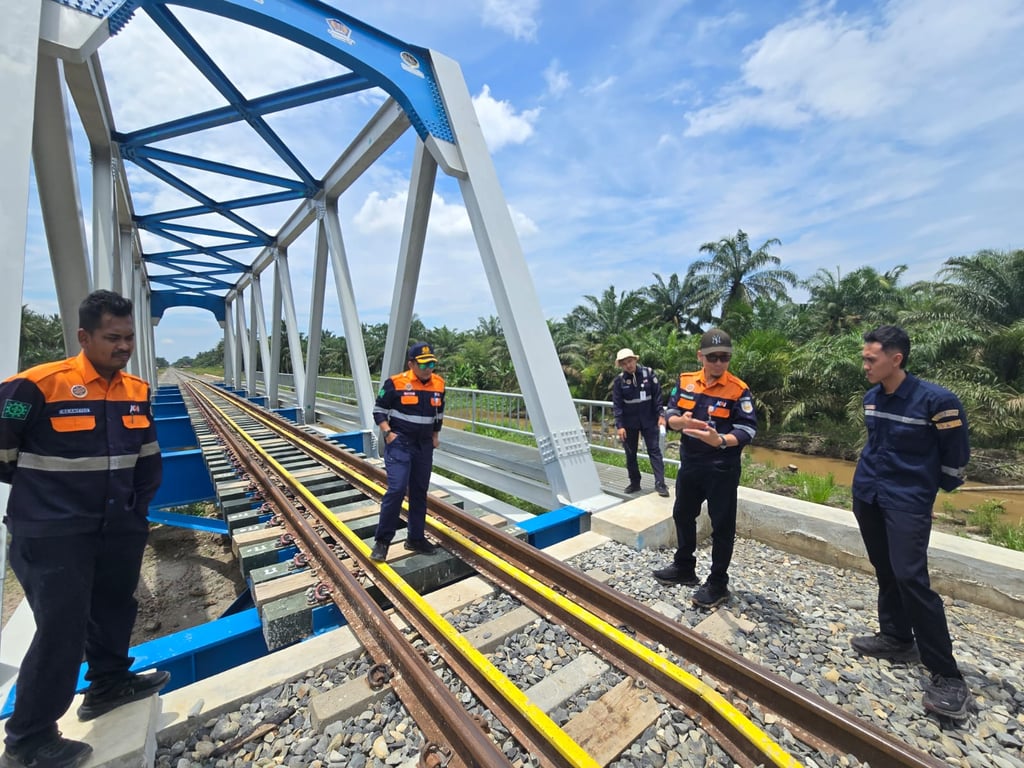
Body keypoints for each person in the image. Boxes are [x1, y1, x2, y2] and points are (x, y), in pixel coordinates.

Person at [0, 290, 168, 768]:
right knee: (61, 627)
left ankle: (109, 683)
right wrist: (54, 497)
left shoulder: (136, 389)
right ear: (83, 336)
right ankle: (29, 739)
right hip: (54, 532)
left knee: (116, 606)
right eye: (112, 337)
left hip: (118, 525)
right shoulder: (38, 386)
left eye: (129, 337)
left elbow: (147, 458)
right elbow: (4, 454)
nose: (123, 346)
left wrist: (136, 509)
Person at [849, 325, 972, 720]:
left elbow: (955, 457)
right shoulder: (871, 399)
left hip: (907, 502)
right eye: (864, 357)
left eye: (871, 358)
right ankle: (897, 637)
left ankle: (947, 675)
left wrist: (931, 492)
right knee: (886, 570)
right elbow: (875, 445)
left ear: (895, 359)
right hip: (869, 495)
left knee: (910, 578)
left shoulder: (937, 402)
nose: (864, 364)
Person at [653, 329, 757, 609]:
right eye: (713, 357)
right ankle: (684, 567)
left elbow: (748, 429)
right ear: (701, 356)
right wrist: (676, 422)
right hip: (691, 463)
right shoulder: (686, 382)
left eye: (724, 357)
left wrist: (721, 440)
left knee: (722, 526)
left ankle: (718, 583)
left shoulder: (738, 389)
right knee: (682, 514)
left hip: (722, 467)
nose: (719, 363)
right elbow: (670, 410)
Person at [370, 342, 446, 561]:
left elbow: (439, 413)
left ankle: (415, 538)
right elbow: (379, 410)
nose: (428, 368)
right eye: (423, 364)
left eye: (431, 363)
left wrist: (435, 436)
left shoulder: (439, 384)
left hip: (424, 446)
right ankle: (382, 541)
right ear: (411, 363)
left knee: (420, 491)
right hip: (401, 443)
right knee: (397, 489)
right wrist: (388, 433)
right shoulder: (395, 382)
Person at [611, 348, 669, 497]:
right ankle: (635, 483)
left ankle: (660, 483)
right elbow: (617, 405)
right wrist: (620, 426)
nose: (628, 365)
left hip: (649, 420)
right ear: (621, 366)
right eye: (624, 363)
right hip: (629, 423)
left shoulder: (648, 374)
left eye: (630, 361)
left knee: (654, 451)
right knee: (631, 454)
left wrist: (661, 415)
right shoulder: (619, 381)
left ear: (635, 360)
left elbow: (657, 396)